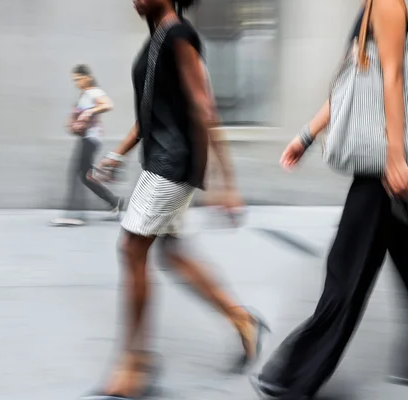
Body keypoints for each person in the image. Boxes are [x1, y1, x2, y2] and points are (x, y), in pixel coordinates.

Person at [250, 0, 408, 399]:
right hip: (383, 154)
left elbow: (393, 77)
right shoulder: (370, 7)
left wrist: (394, 158)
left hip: (381, 159)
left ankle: (297, 373)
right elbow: (351, 84)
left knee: (346, 263)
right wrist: (306, 136)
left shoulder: (388, 4)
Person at [82, 1, 268, 399]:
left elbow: (204, 106)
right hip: (162, 160)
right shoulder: (157, 39)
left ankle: (135, 362)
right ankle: (243, 320)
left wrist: (226, 182)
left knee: (131, 248)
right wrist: (117, 153)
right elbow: (150, 112)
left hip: (171, 164)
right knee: (172, 253)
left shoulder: (179, 34)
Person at [51, 64, 124, 227]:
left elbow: (108, 105)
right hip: (87, 139)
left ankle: (74, 214)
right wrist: (74, 123)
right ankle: (114, 202)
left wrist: (89, 112)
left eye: (78, 79)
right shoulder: (85, 95)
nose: (76, 83)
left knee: (76, 174)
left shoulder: (93, 92)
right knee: (85, 176)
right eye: (74, 80)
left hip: (91, 139)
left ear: (87, 77)